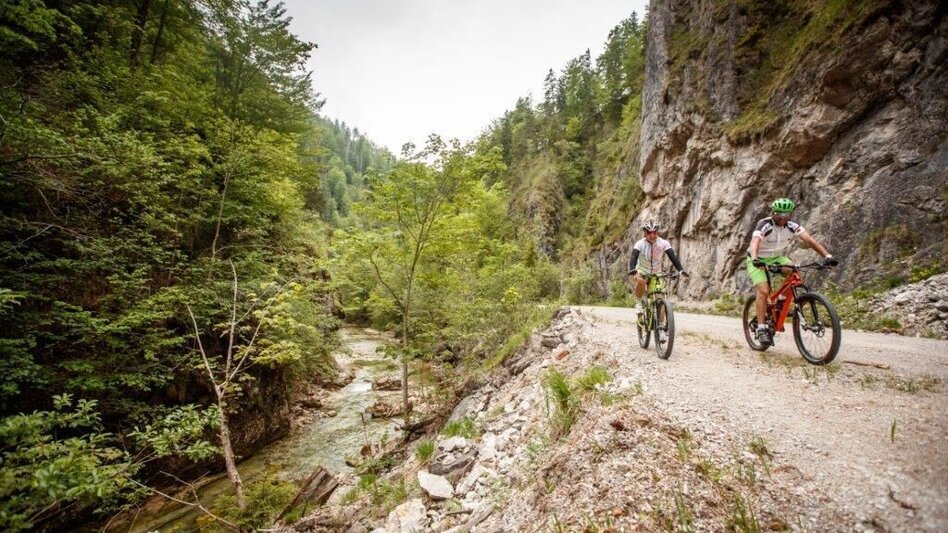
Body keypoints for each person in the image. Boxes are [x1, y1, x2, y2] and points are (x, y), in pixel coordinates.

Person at [747, 198, 838, 345]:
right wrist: (756, 259)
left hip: (777, 257)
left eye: (786, 214)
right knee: (763, 291)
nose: (782, 218)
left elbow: (809, 240)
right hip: (757, 259)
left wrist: (827, 255)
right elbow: (755, 242)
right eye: (779, 214)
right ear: (773, 213)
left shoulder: (792, 225)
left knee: (795, 272)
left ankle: (781, 302)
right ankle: (762, 328)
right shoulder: (764, 224)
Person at [627, 220, 689, 302]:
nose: (652, 235)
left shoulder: (663, 243)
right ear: (645, 233)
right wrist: (633, 270)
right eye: (649, 233)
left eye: (654, 232)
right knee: (641, 282)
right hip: (642, 271)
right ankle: (639, 303)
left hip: (656, 272)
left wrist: (680, 270)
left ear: (657, 232)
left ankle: (661, 310)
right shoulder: (639, 244)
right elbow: (633, 258)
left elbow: (673, 257)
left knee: (660, 296)